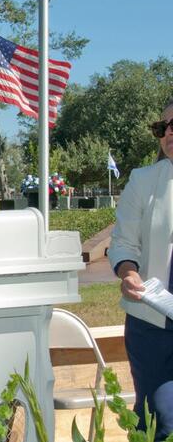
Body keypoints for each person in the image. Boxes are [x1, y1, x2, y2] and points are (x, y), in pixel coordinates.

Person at [109, 97, 173, 438]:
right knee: (161, 421)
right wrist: (128, 272)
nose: (169, 132)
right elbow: (123, 243)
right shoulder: (143, 181)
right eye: (164, 127)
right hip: (153, 326)